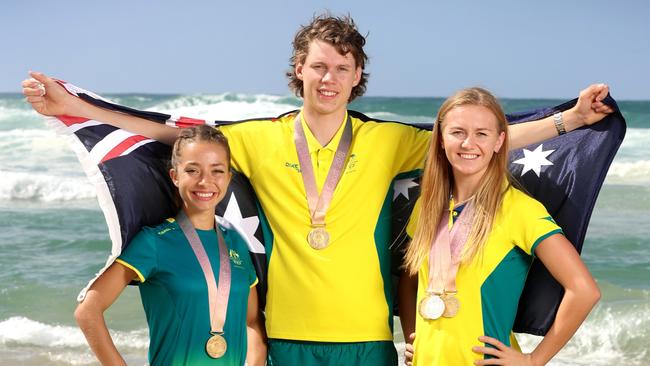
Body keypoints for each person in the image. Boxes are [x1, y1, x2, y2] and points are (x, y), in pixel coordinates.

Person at [23, 13, 611, 366]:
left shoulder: (386, 142)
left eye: (342, 67)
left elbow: (475, 137)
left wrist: (570, 123)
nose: (330, 78)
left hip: (369, 340)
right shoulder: (255, 138)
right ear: (299, 70)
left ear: (359, 76)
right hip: (288, 335)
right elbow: (173, 135)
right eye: (319, 66)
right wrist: (73, 107)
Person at [401, 87, 600, 365]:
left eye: (482, 134)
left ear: (499, 142)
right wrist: (413, 335)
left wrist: (533, 360)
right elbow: (410, 282)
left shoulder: (520, 210)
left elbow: (584, 290)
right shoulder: (426, 206)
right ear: (441, 141)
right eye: (457, 132)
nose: (469, 143)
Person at [73, 125, 267, 365]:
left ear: (228, 177)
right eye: (193, 170)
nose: (206, 181)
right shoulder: (154, 241)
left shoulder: (236, 241)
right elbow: (87, 312)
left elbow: (252, 323)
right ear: (175, 176)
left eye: (217, 171)